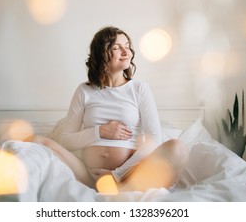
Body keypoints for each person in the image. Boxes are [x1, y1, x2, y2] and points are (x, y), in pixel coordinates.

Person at [31, 26, 189, 192]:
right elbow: (66, 140)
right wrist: (100, 132)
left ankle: (123, 189)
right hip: (88, 176)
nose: (126, 52)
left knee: (178, 149)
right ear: (101, 55)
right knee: (37, 140)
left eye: (127, 46)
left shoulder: (139, 89)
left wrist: (117, 175)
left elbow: (154, 139)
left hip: (126, 176)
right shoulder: (85, 90)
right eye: (116, 48)